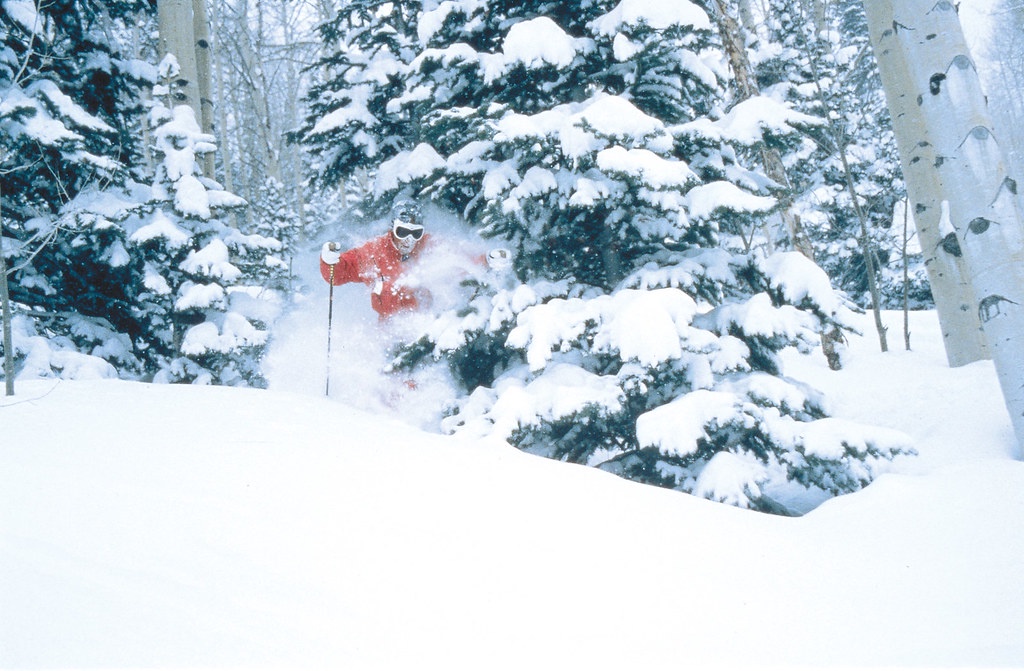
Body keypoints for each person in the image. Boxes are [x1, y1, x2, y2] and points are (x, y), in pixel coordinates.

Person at [320, 202, 512, 320]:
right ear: (393, 229)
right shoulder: (373, 251)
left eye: (415, 233)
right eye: (402, 232)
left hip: (427, 326)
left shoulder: (431, 246)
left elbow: (462, 259)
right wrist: (329, 262)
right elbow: (338, 274)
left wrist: (488, 260)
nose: (409, 239)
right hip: (389, 329)